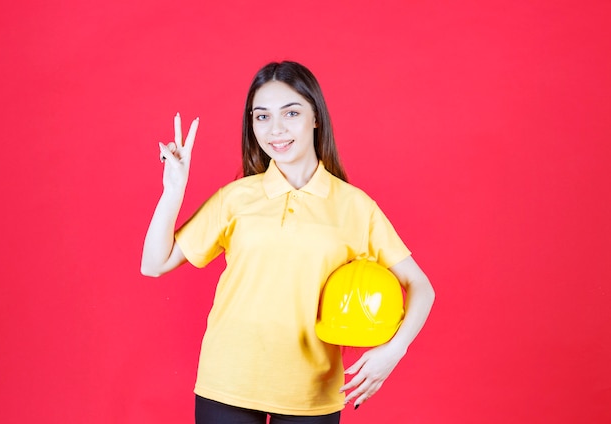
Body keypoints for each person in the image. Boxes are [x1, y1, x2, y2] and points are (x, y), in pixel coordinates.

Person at [141, 61, 435, 424]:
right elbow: (154, 264)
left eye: (291, 113)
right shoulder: (236, 198)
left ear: (315, 117)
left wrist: (393, 351)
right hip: (227, 381)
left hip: (311, 392)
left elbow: (420, 285)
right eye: (261, 117)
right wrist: (173, 191)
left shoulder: (354, 206)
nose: (275, 129)